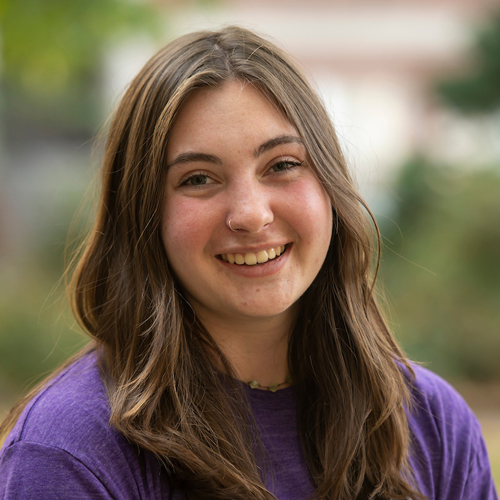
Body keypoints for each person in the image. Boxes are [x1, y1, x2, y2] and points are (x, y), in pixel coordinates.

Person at [0, 26, 497, 500]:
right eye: (198, 178)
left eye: (282, 165)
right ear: (143, 215)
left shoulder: (432, 424)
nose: (251, 214)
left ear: (329, 185)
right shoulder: (71, 452)